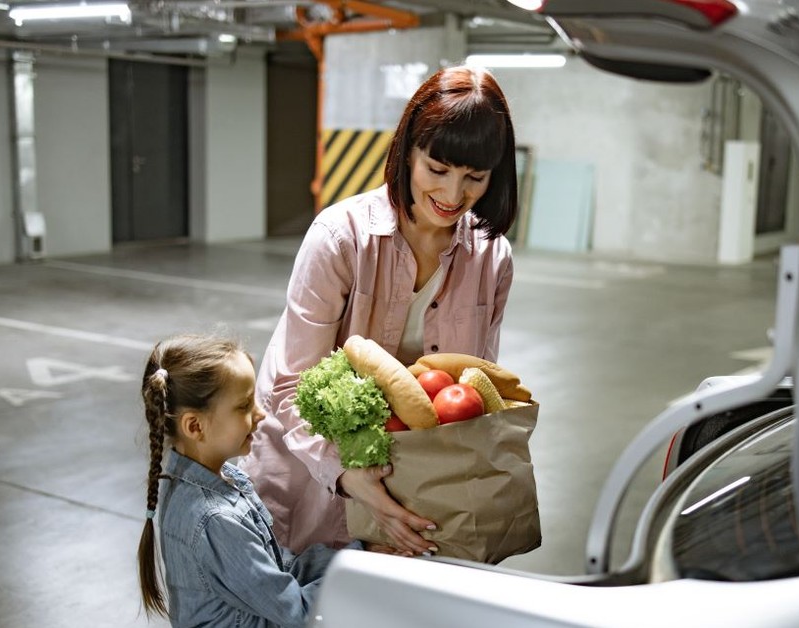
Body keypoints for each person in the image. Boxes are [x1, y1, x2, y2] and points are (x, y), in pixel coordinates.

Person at [243, 65, 519, 557]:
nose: (454, 196)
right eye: (437, 170)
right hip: (311, 470)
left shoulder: (491, 258)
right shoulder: (340, 238)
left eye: (474, 177)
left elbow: (471, 389)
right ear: (407, 152)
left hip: (413, 483)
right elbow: (290, 384)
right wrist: (348, 475)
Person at [137, 333, 352, 627]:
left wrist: (360, 555)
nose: (261, 413)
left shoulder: (219, 478)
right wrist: (357, 572)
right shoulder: (215, 519)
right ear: (195, 425)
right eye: (244, 405)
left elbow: (276, 568)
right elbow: (297, 611)